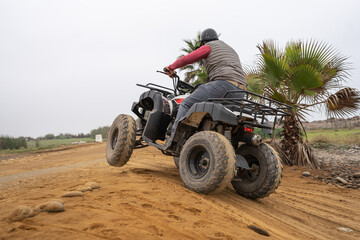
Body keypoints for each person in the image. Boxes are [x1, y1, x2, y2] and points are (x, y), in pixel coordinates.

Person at [164, 28, 247, 139]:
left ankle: (175, 138)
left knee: (186, 103)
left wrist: (171, 67)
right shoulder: (230, 49)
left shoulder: (209, 46)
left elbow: (187, 59)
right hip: (241, 91)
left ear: (203, 42)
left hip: (224, 85)